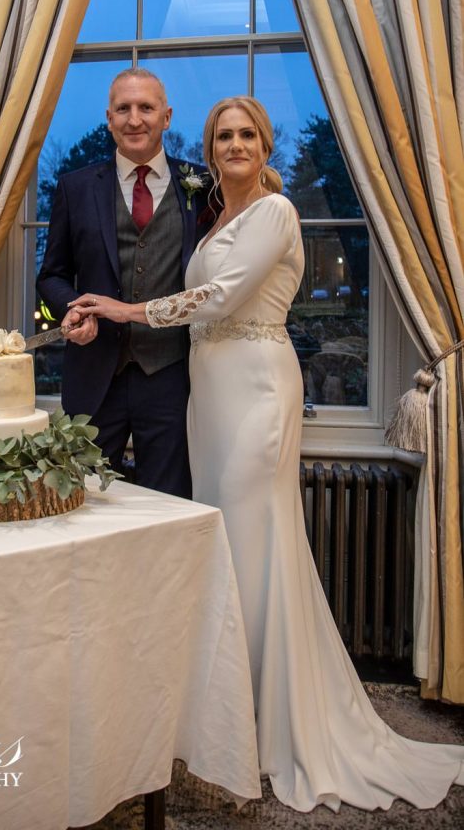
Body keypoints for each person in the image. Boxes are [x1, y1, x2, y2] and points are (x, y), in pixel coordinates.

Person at [70, 96, 464, 812]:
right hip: (208, 397)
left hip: (255, 391)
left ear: (265, 144)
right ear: (210, 148)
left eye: (246, 133)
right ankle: (229, 708)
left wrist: (127, 311)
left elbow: (219, 298)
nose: (233, 145)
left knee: (256, 542)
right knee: (226, 542)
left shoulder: (275, 213)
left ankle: (269, 722)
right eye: (222, 135)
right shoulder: (212, 215)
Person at [36, 68, 212, 498]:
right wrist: (72, 306)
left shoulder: (203, 185)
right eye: (123, 109)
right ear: (109, 118)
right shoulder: (75, 188)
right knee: (84, 501)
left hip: (173, 374)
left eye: (146, 108)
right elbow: (52, 276)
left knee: (168, 503)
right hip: (95, 374)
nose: (135, 119)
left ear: (166, 117)